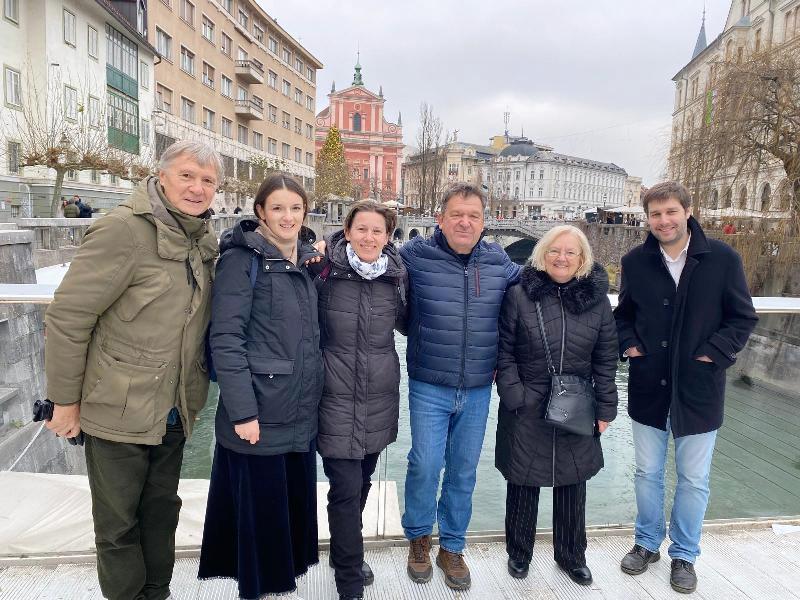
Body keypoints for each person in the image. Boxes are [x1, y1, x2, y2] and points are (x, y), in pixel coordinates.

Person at [43, 140, 222, 600]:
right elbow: (69, 318)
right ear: (161, 176)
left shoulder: (202, 239)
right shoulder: (122, 230)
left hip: (175, 408)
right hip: (116, 407)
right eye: (186, 176)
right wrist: (65, 401)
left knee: (161, 513)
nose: (197, 188)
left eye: (207, 181)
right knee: (118, 525)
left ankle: (156, 593)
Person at [614, 181, 757, 594]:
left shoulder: (722, 259)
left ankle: (685, 554)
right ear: (647, 219)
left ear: (687, 212)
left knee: (694, 478)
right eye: (655, 214)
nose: (664, 221)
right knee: (647, 473)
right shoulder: (635, 261)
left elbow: (742, 317)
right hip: (649, 385)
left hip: (699, 387)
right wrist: (631, 345)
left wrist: (713, 353)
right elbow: (623, 316)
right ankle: (646, 542)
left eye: (671, 212)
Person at [198, 174, 323, 600]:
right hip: (260, 412)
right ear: (260, 212)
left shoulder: (305, 261)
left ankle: (274, 589)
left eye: (296, 208)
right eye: (278, 208)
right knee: (260, 521)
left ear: (305, 212)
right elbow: (225, 339)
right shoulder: (241, 260)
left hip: (298, 413)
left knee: (283, 519)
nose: (288, 217)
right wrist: (243, 412)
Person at [400, 182, 521, 590]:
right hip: (429, 382)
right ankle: (419, 538)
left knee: (464, 470)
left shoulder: (498, 260)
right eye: (456, 215)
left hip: (478, 386)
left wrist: (587, 275)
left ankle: (452, 546)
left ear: (485, 222)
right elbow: (372, 255)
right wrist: (324, 247)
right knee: (425, 463)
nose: (465, 223)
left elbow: (539, 282)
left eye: (473, 216)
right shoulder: (415, 255)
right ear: (441, 219)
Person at [495, 225, 618, 586]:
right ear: (542, 254)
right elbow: (504, 352)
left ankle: (571, 556)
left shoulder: (597, 301)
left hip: (578, 400)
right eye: (554, 250)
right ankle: (519, 553)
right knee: (522, 480)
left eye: (570, 252)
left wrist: (605, 408)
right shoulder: (519, 295)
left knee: (572, 481)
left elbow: (605, 358)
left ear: (582, 259)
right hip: (527, 400)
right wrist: (514, 396)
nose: (561, 258)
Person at [315, 200, 408, 600]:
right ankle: (349, 579)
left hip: (378, 398)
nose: (369, 237)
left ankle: (343, 551)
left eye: (377, 231)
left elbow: (411, 323)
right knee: (345, 488)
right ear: (347, 231)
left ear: (388, 236)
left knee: (362, 481)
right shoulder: (323, 270)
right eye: (362, 229)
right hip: (334, 397)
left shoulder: (397, 277)